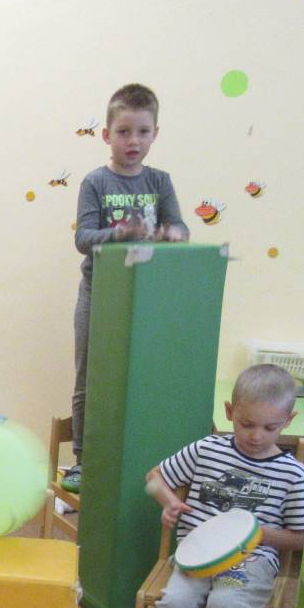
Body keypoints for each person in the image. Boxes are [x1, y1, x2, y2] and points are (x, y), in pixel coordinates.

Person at [144, 364, 304, 608]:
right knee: (174, 604)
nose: (256, 436)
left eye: (270, 427)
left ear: (289, 420)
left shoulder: (294, 475)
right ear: (230, 411)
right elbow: (154, 478)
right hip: (195, 557)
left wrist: (252, 534)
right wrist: (169, 502)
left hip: (251, 561)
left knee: (226, 607)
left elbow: (302, 538)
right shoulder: (207, 449)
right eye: (246, 424)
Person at [66, 82, 189, 495]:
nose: (133, 141)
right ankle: (83, 459)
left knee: (140, 378)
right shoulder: (96, 182)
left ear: (155, 134)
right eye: (123, 132)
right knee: (89, 378)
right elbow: (83, 238)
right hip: (99, 295)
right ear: (106, 135)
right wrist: (120, 233)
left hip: (146, 299)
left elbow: (180, 227)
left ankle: (141, 457)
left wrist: (173, 233)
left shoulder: (160, 182)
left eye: (142, 132)